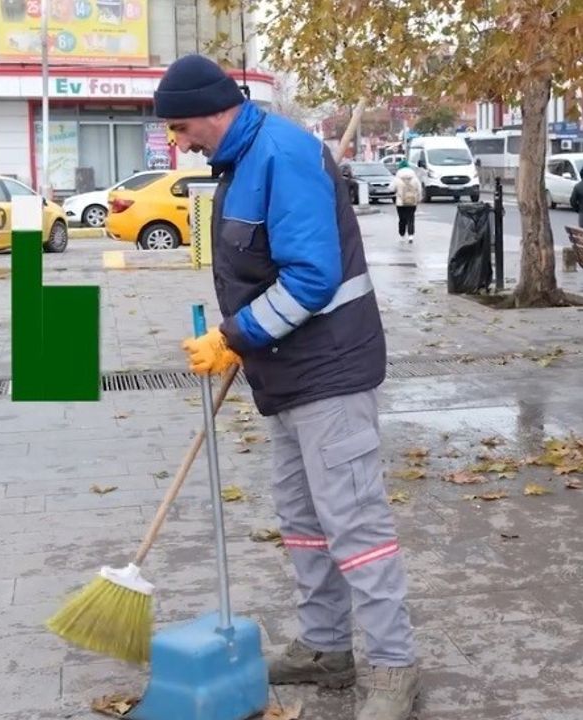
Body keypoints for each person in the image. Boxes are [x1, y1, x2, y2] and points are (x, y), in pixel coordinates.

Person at [157, 55, 419, 719]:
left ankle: (394, 668)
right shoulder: (242, 161)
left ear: (212, 109)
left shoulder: (283, 155)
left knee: (354, 523)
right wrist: (241, 339)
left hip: (330, 370)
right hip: (289, 374)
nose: (180, 142)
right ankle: (327, 649)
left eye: (182, 126)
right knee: (304, 524)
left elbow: (310, 278)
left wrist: (233, 337)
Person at [389, 160, 421, 242]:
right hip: (412, 201)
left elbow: (391, 188)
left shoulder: (397, 178)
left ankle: (402, 235)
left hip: (400, 202)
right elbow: (419, 189)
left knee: (402, 219)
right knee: (411, 218)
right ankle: (411, 236)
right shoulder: (415, 178)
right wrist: (418, 199)